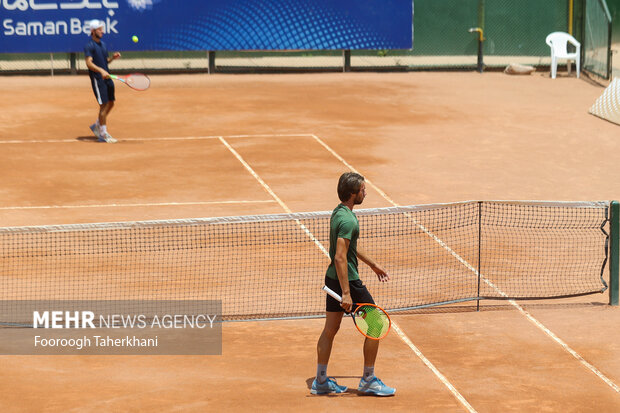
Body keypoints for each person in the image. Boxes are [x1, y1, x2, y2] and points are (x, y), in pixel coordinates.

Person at [312, 172, 396, 396]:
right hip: (347, 280)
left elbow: (349, 247)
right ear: (352, 194)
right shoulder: (349, 219)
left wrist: (373, 264)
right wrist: (347, 293)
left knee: (330, 329)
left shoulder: (339, 212)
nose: (365, 192)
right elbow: (340, 257)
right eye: (362, 190)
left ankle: (320, 380)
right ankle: (368, 380)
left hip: (333, 279)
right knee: (377, 325)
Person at [84, 19, 121, 143]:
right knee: (103, 105)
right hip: (98, 79)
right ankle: (103, 134)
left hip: (107, 78)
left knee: (111, 103)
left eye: (102, 29)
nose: (102, 31)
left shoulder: (103, 45)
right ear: (93, 31)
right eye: (100, 29)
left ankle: (96, 125)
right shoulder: (89, 45)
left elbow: (105, 61)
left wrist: (112, 59)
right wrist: (101, 71)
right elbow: (89, 63)